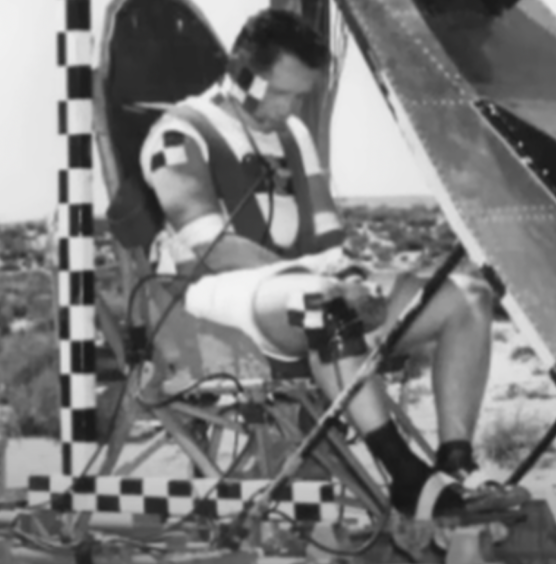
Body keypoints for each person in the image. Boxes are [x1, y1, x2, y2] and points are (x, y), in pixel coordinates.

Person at [139, 8, 496, 519]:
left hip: (300, 296)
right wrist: (323, 282)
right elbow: (208, 245)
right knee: (320, 301)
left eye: (301, 95)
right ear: (242, 73)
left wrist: (351, 278)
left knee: (467, 296)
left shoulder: (294, 137)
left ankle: (455, 463)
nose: (291, 107)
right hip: (212, 299)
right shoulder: (180, 132)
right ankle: (403, 474)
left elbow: (329, 241)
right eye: (282, 92)